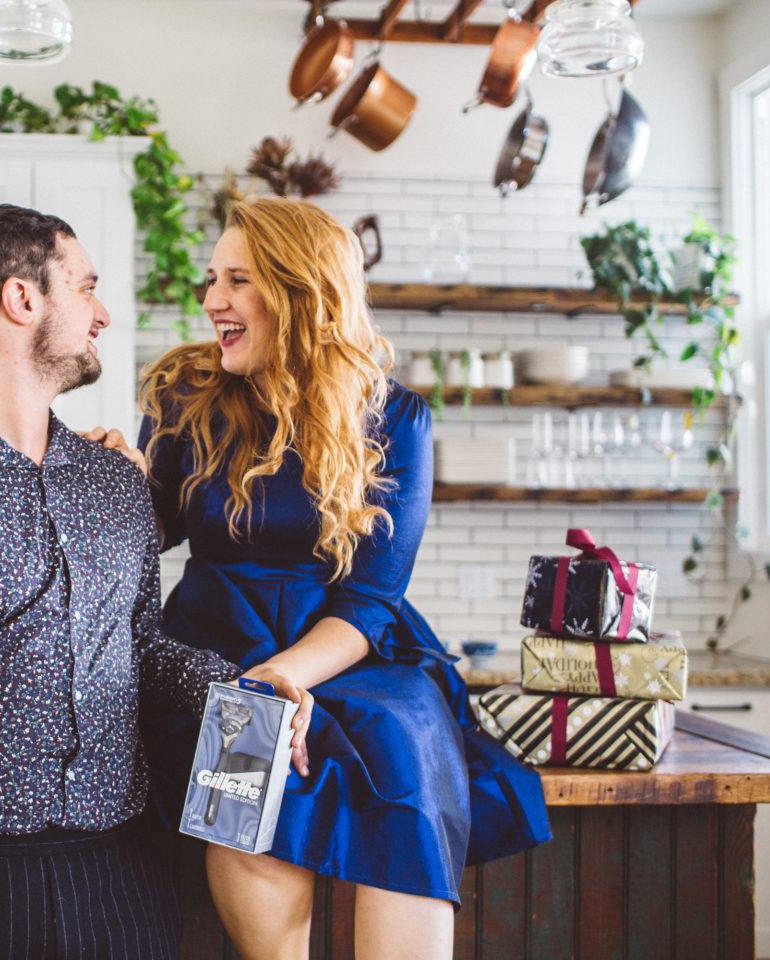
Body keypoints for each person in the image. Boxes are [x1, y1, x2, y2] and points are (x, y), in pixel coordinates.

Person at [0, 202, 313, 960]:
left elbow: (139, 649)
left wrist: (240, 688)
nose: (103, 312)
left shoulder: (116, 486)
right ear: (22, 300)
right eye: (85, 287)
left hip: (125, 878)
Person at [104, 196, 552, 960]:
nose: (213, 300)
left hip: (350, 651)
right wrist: (111, 480)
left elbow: (370, 598)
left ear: (299, 291)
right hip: (218, 643)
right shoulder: (186, 391)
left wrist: (280, 674)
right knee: (241, 770)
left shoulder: (395, 419)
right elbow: (151, 530)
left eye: (238, 280)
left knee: (403, 754)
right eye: (214, 279)